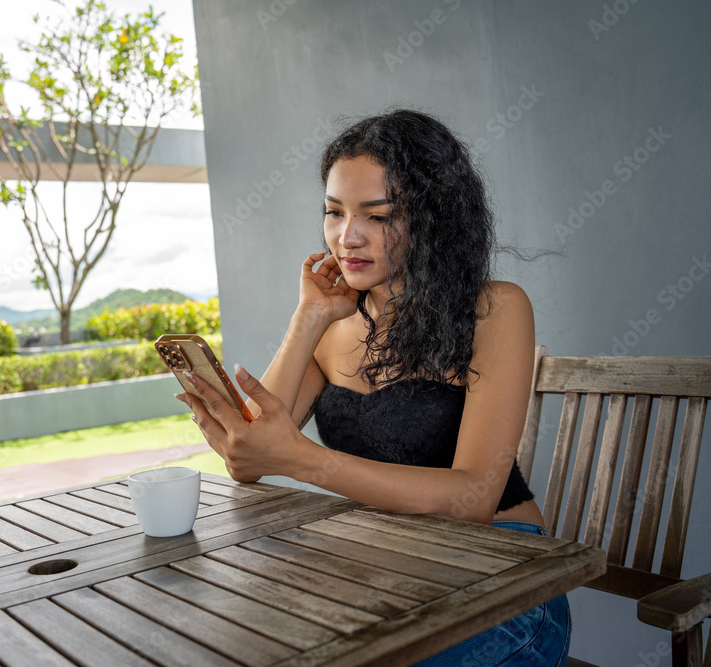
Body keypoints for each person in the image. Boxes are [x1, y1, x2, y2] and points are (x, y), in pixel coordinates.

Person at [175, 109, 571, 665]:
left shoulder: (494, 309)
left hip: (502, 577)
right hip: (386, 569)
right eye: (333, 213)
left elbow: (474, 499)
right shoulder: (333, 320)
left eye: (377, 215)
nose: (347, 236)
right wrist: (307, 318)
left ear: (433, 218)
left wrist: (304, 459)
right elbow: (247, 458)